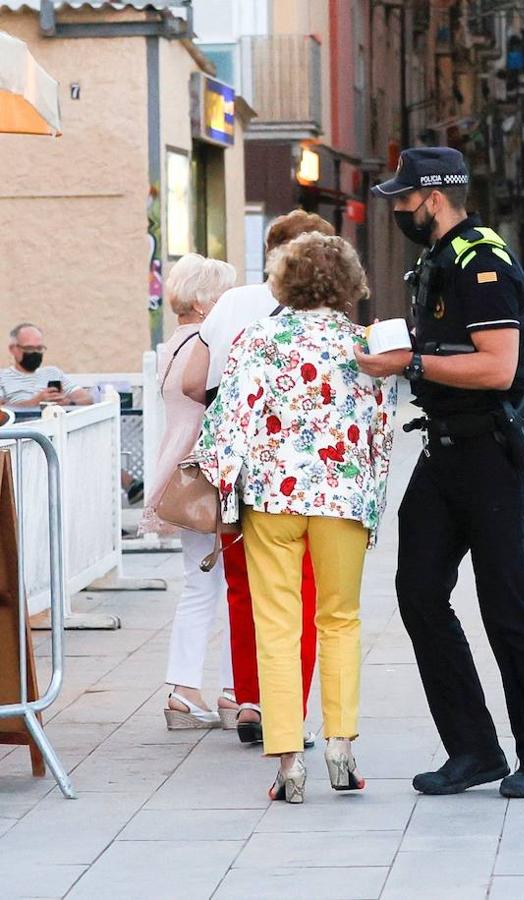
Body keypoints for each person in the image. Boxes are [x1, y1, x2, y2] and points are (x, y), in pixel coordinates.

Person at [357, 147, 524, 798]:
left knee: (507, 605)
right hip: (445, 448)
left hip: (491, 453)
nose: (397, 209)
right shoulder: (439, 260)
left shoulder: (482, 259)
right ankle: (474, 748)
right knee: (419, 591)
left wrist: (408, 364)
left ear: (435, 198)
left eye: (404, 199)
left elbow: (501, 366)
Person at [197, 232, 396, 803]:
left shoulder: (257, 339)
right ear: (348, 282)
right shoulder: (363, 344)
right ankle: (340, 746)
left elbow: (226, 428)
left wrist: (226, 497)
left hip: (272, 499)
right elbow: (381, 431)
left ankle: (288, 759)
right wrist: (371, 500)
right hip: (342, 499)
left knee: (278, 625)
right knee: (340, 620)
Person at [181, 210, 333, 746]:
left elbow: (194, 382)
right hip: (302, 468)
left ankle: (248, 699)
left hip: (236, 468)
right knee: (302, 588)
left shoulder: (230, 304)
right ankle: (285, 707)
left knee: (243, 585)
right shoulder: (321, 312)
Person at [139, 254, 239, 730]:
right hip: (205, 477)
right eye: (222, 295)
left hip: (178, 473)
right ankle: (223, 690)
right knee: (226, 586)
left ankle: (190, 688)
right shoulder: (206, 343)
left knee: (201, 583)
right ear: (202, 302)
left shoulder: (172, 345)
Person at [1, 324, 93, 408]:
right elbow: (3, 411)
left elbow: (87, 398)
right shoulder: (2, 377)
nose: (35, 353)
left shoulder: (53, 373)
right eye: (29, 348)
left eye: (39, 348)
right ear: (13, 349)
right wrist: (37, 401)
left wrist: (68, 403)